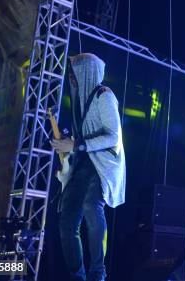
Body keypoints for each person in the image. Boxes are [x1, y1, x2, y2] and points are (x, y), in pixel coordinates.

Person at [51, 53, 126, 281]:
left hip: (102, 164)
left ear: (86, 72)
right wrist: (66, 141)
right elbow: (80, 136)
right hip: (83, 163)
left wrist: (75, 143)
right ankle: (77, 276)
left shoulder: (104, 96)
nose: (71, 79)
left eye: (74, 73)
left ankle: (97, 273)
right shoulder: (79, 100)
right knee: (66, 222)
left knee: (92, 206)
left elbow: (112, 137)